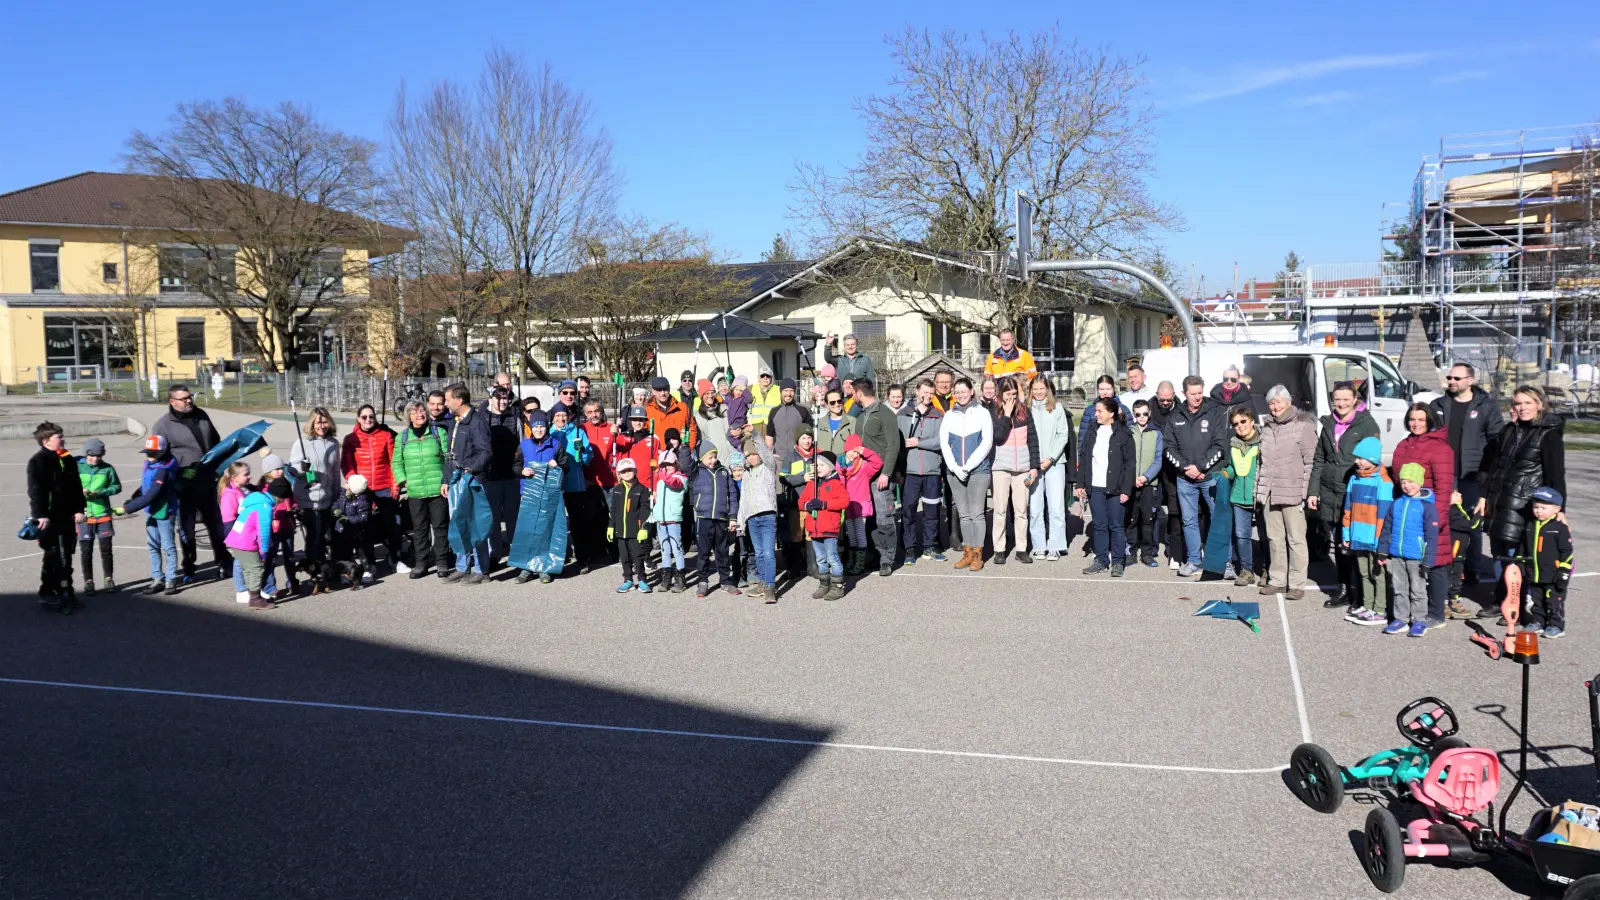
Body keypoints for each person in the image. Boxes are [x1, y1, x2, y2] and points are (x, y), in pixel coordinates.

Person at [1430, 362, 1503, 588]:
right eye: (1449, 377)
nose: (1451, 381)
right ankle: (1446, 569)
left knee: (1471, 525)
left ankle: (1472, 570)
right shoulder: (1438, 405)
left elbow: (1497, 441)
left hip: (1473, 476)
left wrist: (1488, 474)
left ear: (1470, 381)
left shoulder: (1486, 406)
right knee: (1442, 521)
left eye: (1456, 378)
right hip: (1444, 473)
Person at [1309, 382, 1381, 610]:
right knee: (1340, 543)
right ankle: (1343, 589)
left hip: (1355, 492)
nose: (1340, 403)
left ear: (1355, 400)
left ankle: (1358, 592)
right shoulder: (1328, 423)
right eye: (1336, 399)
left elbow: (1374, 459)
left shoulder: (1367, 424)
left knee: (1355, 544)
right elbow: (1319, 458)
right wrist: (1313, 490)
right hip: (1330, 492)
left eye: (1345, 399)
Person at [1478, 385, 1566, 570]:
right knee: (1498, 552)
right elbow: (1495, 467)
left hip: (1523, 505)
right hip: (1498, 503)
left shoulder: (1549, 435)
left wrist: (1560, 509)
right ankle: (1502, 596)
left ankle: (1515, 597)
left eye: (1528, 402)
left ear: (1540, 405)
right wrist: (1484, 496)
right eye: (1518, 403)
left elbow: (1555, 475)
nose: (1522, 407)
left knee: (1514, 556)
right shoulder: (1508, 431)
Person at [150, 384, 230, 582]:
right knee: (187, 529)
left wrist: (219, 466)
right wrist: (177, 472)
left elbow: (215, 442)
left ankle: (223, 561)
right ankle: (189, 567)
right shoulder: (163, 425)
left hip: (207, 480)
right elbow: (156, 458)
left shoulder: (201, 415)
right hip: (183, 486)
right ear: (172, 402)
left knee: (215, 525)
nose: (189, 400)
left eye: (189, 397)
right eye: (184, 398)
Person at [1390, 403, 1455, 624]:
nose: (1416, 423)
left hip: (1430, 513)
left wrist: (1439, 517)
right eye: (1412, 419)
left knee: (1436, 563)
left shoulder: (1440, 448)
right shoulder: (1402, 445)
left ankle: (1436, 613)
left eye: (1421, 419)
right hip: (1408, 514)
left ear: (1429, 421)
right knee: (1409, 562)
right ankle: (1408, 611)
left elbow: (1444, 487)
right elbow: (1397, 482)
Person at [1164, 375, 1228, 577]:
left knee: (1218, 519)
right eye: (1193, 394)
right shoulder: (1175, 416)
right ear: (1184, 394)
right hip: (1185, 479)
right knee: (1189, 522)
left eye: (1200, 392)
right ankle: (1193, 561)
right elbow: (1168, 447)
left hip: (1210, 477)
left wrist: (1200, 467)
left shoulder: (1215, 413)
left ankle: (1224, 562)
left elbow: (1220, 445)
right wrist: (1186, 468)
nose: (1198, 397)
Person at [1257, 385, 1318, 600]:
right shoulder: (1266, 427)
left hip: (1293, 493)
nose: (1274, 407)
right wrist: (1260, 490)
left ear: (1288, 402)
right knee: (1274, 538)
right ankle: (1277, 580)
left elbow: (1311, 461)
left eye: (1278, 402)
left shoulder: (1303, 426)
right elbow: (1261, 463)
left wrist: (1306, 493)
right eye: (1271, 403)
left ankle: (1297, 583)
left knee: (1296, 539)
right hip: (1271, 493)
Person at [1378, 463, 1442, 638]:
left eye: (1411, 481)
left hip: (1417, 558)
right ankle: (1400, 619)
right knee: (1399, 588)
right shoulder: (1397, 504)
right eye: (1404, 482)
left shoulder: (1427, 507)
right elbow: (1387, 528)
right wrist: (1382, 550)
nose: (1407, 486)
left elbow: (1432, 537)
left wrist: (1428, 561)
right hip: (1397, 555)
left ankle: (1419, 620)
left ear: (1420, 483)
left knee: (1418, 590)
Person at [27, 422, 86, 609]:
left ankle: (66, 590)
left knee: (66, 554)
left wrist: (79, 509)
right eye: (58, 437)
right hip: (50, 516)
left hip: (67, 515)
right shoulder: (38, 461)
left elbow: (76, 487)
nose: (63, 439)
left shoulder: (67, 459)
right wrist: (40, 515)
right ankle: (48, 591)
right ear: (46, 441)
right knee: (53, 554)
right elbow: (36, 491)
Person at [115, 434, 182, 596]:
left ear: (162, 453)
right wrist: (133, 498)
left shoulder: (163, 471)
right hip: (151, 510)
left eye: (152, 453)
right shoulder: (151, 465)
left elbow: (152, 494)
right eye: (147, 453)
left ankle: (171, 579)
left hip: (165, 512)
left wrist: (127, 509)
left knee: (168, 546)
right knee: (153, 546)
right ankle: (157, 578)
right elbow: (145, 486)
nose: (149, 456)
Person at [1075, 397, 1135, 576]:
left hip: (1116, 488)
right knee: (1099, 525)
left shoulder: (1124, 434)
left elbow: (1129, 464)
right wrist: (1080, 484)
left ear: (1111, 413)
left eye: (1100, 411)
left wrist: (1126, 490)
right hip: (1095, 487)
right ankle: (1101, 559)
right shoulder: (1092, 431)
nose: (1096, 414)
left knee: (1116, 526)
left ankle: (1117, 561)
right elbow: (1084, 457)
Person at [940, 377, 994, 571]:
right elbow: (944, 443)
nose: (961, 394)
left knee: (977, 514)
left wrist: (968, 466)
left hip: (978, 471)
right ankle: (968, 552)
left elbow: (987, 442)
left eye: (964, 390)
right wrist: (954, 468)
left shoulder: (982, 413)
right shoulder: (949, 416)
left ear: (972, 391)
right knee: (964, 514)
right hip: (955, 472)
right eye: (957, 392)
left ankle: (978, 554)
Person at [392, 401, 451, 579]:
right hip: (415, 491)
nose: (420, 414)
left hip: (437, 490)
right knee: (419, 529)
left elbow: (449, 459)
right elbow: (396, 462)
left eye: (422, 411)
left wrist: (446, 480)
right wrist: (404, 482)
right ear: (408, 416)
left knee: (440, 527)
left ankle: (441, 561)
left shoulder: (438, 433)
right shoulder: (402, 438)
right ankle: (421, 563)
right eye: (415, 412)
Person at [1341, 436, 1393, 626]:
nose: (1356, 461)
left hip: (1375, 539)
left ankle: (1379, 610)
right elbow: (1348, 509)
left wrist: (1381, 542)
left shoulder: (1384, 483)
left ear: (1371, 458)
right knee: (1364, 573)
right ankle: (1368, 605)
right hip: (1357, 536)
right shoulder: (1354, 479)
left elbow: (1384, 517)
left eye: (1360, 458)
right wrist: (1347, 534)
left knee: (1377, 574)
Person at [443, 384, 492, 584]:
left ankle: (481, 569)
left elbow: (485, 452)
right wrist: (445, 479)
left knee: (474, 524)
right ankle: (462, 566)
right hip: (455, 481)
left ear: (459, 400)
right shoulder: (455, 422)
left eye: (447, 399)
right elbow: (449, 455)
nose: (445, 403)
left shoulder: (477, 422)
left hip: (471, 481)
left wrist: (469, 469)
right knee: (459, 524)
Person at [989, 376, 1040, 566]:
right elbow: (998, 437)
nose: (1011, 398)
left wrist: (1034, 466)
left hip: (1023, 469)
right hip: (1001, 468)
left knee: (1021, 511)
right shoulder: (993, 412)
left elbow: (1033, 440)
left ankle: (1021, 549)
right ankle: (999, 549)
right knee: (1000, 510)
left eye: (1014, 394)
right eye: (1007, 394)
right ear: (1000, 394)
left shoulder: (1025, 412)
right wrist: (1006, 415)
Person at [852, 378, 901, 575]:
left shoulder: (885, 414)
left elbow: (893, 446)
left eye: (853, 393)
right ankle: (872, 556)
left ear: (859, 393)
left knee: (885, 518)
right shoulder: (862, 416)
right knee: (869, 519)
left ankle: (887, 559)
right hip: (863, 477)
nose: (852, 396)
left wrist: (886, 473)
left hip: (880, 478)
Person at [513, 409, 567, 585]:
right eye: (535, 426)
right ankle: (526, 568)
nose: (538, 429)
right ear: (530, 427)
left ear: (547, 427)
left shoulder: (556, 445)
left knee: (547, 531)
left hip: (550, 494)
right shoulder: (524, 445)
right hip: (529, 494)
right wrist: (522, 471)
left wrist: (557, 464)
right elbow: (515, 466)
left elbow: (567, 466)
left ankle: (545, 568)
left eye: (542, 426)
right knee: (528, 530)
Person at [899, 379, 946, 564]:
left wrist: (919, 442)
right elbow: (899, 443)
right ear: (917, 391)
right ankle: (909, 548)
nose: (928, 396)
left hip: (932, 471)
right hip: (910, 472)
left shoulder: (938, 416)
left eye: (931, 393)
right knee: (908, 510)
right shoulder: (904, 415)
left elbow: (941, 441)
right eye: (925, 392)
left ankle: (930, 546)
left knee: (932, 511)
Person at [290, 406, 341, 577]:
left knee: (328, 537)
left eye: (325, 421)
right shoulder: (302, 442)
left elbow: (334, 472)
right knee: (315, 537)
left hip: (328, 498)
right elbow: (293, 469)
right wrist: (301, 467)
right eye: (318, 422)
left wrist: (336, 494)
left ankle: (327, 569)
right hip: (309, 499)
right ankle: (316, 572)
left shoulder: (333, 444)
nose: (321, 425)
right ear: (312, 423)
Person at [223, 476, 286, 610]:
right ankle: (255, 599)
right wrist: (264, 551)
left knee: (249, 569)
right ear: (280, 497)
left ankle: (253, 595)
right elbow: (263, 531)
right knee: (256, 568)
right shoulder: (265, 507)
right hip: (246, 541)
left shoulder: (257, 498)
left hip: (236, 538)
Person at [478, 387, 524, 568]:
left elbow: (521, 446)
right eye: (500, 398)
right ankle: (495, 552)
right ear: (491, 399)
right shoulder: (483, 419)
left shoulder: (515, 419)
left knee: (513, 516)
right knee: (493, 518)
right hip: (491, 478)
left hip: (511, 476)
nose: (504, 402)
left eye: (506, 398)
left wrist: (518, 468)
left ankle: (516, 550)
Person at [686, 443, 738, 597]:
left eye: (715, 456)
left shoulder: (724, 472)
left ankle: (725, 580)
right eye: (710, 457)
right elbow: (685, 463)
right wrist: (684, 446)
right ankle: (703, 581)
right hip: (704, 518)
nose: (713, 460)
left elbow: (733, 495)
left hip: (721, 518)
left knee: (722, 551)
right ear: (702, 458)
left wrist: (733, 516)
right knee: (703, 552)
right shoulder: (697, 472)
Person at [1520, 486, 1573, 638]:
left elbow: (1567, 552)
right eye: (1536, 507)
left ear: (1556, 509)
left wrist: (1564, 571)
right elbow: (1524, 546)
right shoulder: (1530, 525)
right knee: (1537, 599)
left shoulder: (1559, 528)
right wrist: (1520, 562)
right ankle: (1538, 621)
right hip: (1534, 572)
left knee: (1553, 601)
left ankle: (1556, 625)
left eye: (1543, 508)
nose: (1539, 511)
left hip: (1554, 574)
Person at [734, 436, 781, 602]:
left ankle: (770, 587)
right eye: (748, 455)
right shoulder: (746, 474)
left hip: (767, 515)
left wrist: (754, 434)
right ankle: (762, 582)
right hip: (752, 518)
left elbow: (766, 454)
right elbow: (743, 499)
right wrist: (741, 522)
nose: (752, 457)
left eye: (755, 454)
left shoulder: (768, 468)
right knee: (759, 553)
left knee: (768, 553)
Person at [800, 451, 851, 601]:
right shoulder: (812, 483)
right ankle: (824, 584)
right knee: (820, 559)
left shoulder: (836, 484)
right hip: (814, 529)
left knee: (832, 557)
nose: (818, 468)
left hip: (829, 529)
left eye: (822, 465)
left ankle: (837, 586)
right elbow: (801, 500)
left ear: (830, 467)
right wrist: (807, 505)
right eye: (816, 465)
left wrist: (824, 504)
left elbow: (844, 501)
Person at [1222, 408, 1263, 586]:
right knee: (1241, 535)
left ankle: (1269, 570)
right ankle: (1247, 571)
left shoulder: (1264, 442)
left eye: (1243, 421)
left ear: (1252, 421)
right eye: (1236, 424)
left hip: (1260, 496)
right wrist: (1225, 474)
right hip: (1239, 496)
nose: (1240, 426)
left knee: (1266, 535)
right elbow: (1233, 468)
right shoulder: (1233, 444)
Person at [219, 462, 272, 601]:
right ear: (235, 477)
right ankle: (241, 590)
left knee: (249, 563)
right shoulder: (229, 494)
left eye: (249, 473)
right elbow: (228, 519)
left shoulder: (246, 489)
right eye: (246, 474)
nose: (250, 476)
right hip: (238, 534)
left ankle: (253, 589)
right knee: (240, 562)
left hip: (249, 533)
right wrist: (234, 538)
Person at [75, 437, 121, 595]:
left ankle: (109, 579)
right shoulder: (77, 467)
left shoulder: (107, 469)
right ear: (86, 454)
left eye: (99, 456)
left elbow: (116, 487)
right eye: (92, 456)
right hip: (84, 516)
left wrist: (101, 492)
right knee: (86, 551)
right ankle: (88, 581)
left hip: (103, 514)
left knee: (106, 550)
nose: (95, 459)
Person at [1148, 380, 1184, 567]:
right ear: (1156, 395)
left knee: (1173, 508)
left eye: (1168, 400)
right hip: (1154, 466)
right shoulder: (1149, 409)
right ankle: (1152, 546)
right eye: (1162, 400)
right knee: (1153, 509)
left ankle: (1171, 545)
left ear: (1174, 395)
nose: (1165, 403)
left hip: (1172, 468)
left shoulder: (1181, 410)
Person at [837, 434, 884, 577]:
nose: (854, 454)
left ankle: (860, 564)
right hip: (847, 504)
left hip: (860, 505)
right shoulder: (839, 466)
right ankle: (851, 561)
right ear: (846, 450)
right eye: (852, 450)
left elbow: (878, 463)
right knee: (850, 534)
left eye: (857, 451)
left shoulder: (863, 466)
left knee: (860, 533)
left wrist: (865, 452)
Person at [580, 400, 619, 564]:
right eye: (589, 412)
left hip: (610, 481)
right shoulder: (581, 430)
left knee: (614, 517)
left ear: (601, 411)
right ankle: (595, 550)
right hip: (590, 481)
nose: (593, 415)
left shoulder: (611, 428)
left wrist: (618, 434)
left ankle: (616, 549)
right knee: (591, 518)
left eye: (596, 411)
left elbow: (621, 452)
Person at [1126, 399, 1164, 567]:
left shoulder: (1157, 433)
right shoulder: (1129, 432)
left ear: (1149, 414)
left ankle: (1147, 553)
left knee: (1148, 519)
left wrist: (1145, 477)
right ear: (1134, 415)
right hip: (1132, 483)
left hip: (1149, 484)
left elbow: (1158, 459)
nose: (1142, 417)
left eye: (1145, 414)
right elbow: (1125, 457)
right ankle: (1131, 552)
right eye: (1138, 414)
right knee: (1132, 519)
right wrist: (1133, 477)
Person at [257, 454, 300, 595]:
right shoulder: (264, 489)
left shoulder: (285, 483)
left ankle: (292, 581)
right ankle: (269, 586)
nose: (280, 471)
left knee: (290, 557)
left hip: (287, 525)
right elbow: (264, 508)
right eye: (276, 469)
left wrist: (295, 507)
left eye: (281, 468)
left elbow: (293, 499)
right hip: (273, 529)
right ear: (268, 472)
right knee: (271, 558)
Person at [609, 457, 653, 593]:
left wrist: (644, 528)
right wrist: (611, 526)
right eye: (623, 471)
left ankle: (641, 579)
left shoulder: (642, 490)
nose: (627, 473)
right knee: (624, 557)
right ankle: (628, 579)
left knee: (638, 555)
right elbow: (614, 510)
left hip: (635, 531)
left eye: (630, 470)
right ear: (619, 474)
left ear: (635, 471)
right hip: (621, 531)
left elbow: (645, 510)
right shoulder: (616, 490)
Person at [650, 451, 689, 593]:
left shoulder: (681, 478)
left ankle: (681, 579)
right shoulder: (660, 480)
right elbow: (658, 496)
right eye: (663, 465)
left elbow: (673, 483)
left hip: (673, 519)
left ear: (676, 464)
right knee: (664, 550)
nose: (666, 467)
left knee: (676, 549)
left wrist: (659, 472)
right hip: (661, 519)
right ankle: (666, 577)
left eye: (669, 464)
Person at [331, 472, 376, 589]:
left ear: (353, 488)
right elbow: (335, 503)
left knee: (362, 552)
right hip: (342, 529)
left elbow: (363, 518)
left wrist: (348, 519)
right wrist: (335, 509)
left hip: (357, 531)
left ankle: (366, 570)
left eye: (347, 483)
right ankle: (346, 574)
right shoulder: (342, 494)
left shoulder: (363, 500)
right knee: (345, 553)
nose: (345, 483)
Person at [649, 376, 698, 452]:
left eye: (665, 389)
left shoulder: (682, 408)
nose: (663, 393)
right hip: (658, 456)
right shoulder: (648, 410)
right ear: (653, 391)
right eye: (659, 390)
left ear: (669, 389)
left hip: (680, 455)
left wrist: (689, 450)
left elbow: (692, 429)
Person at [819, 388, 857, 457]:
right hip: (824, 464)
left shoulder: (852, 422)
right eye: (832, 402)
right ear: (827, 404)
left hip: (843, 464)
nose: (837, 404)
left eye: (839, 401)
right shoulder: (820, 423)